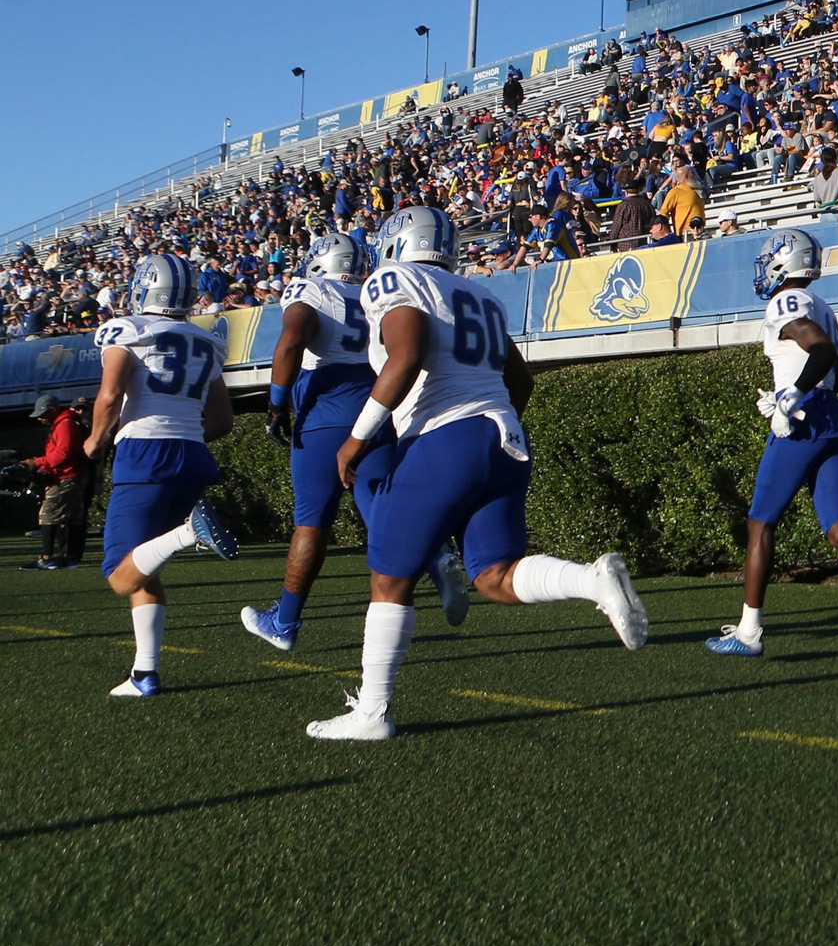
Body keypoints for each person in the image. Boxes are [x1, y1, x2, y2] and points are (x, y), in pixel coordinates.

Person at [309, 207, 648, 741]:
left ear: (399, 243)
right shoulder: (479, 293)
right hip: (504, 436)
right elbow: (520, 379)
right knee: (493, 574)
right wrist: (491, 428)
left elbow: (406, 353)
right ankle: (592, 580)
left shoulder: (395, 280)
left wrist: (356, 438)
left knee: (389, 577)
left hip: (447, 435)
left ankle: (371, 713)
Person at [242, 233, 469, 652]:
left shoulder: (311, 288)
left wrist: (276, 405)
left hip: (325, 413)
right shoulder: (375, 289)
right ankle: (434, 552)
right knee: (376, 499)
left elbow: (292, 339)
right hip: (373, 410)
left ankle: (286, 622)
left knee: (311, 522)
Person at [707, 231, 838, 657]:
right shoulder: (822, 306)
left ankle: (748, 632)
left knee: (760, 522)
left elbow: (823, 351)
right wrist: (804, 385)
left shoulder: (785, 302)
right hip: (830, 420)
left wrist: (790, 394)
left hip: (805, 421)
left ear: (782, 262)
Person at [90, 253, 241, 698]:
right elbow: (222, 421)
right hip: (192, 452)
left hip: (144, 451)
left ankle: (188, 533)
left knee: (120, 575)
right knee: (145, 568)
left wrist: (96, 440)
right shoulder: (207, 340)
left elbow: (109, 393)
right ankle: (145, 674)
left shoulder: (129, 330)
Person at [15, 392, 91, 570]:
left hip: (65, 476)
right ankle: (69, 557)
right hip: (74, 475)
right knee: (72, 518)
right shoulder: (68, 423)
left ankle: (46, 558)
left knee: (48, 515)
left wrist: (37, 462)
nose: (40, 418)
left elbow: (62, 454)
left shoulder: (64, 425)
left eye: (43, 414)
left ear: (53, 410)